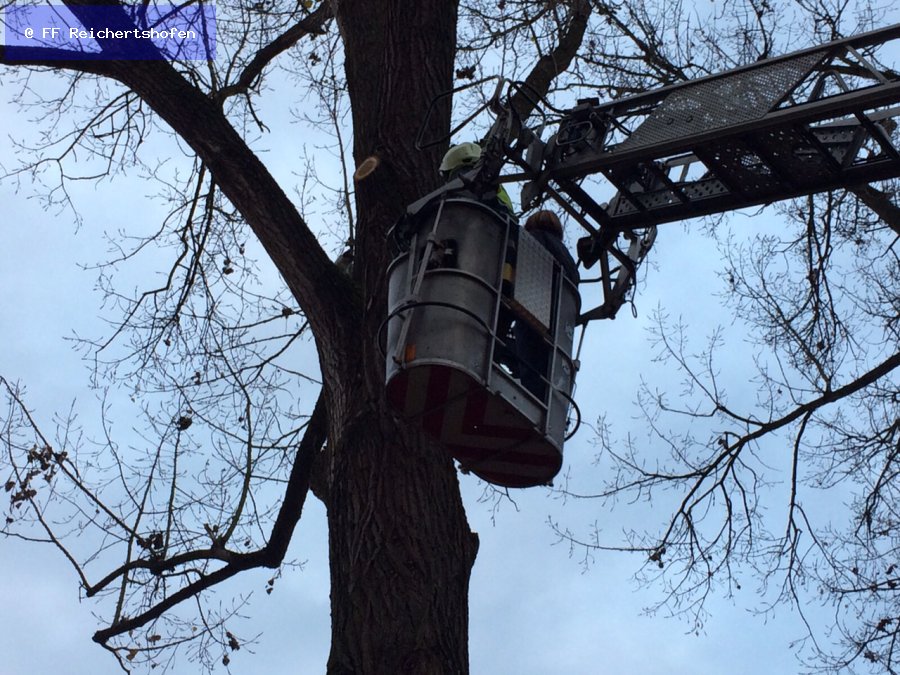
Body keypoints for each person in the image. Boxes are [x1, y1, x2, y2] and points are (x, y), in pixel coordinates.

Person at [515, 210, 579, 401]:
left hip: (533, 311)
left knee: (529, 365)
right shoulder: (568, 259)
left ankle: (528, 396)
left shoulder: (532, 240)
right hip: (558, 328)